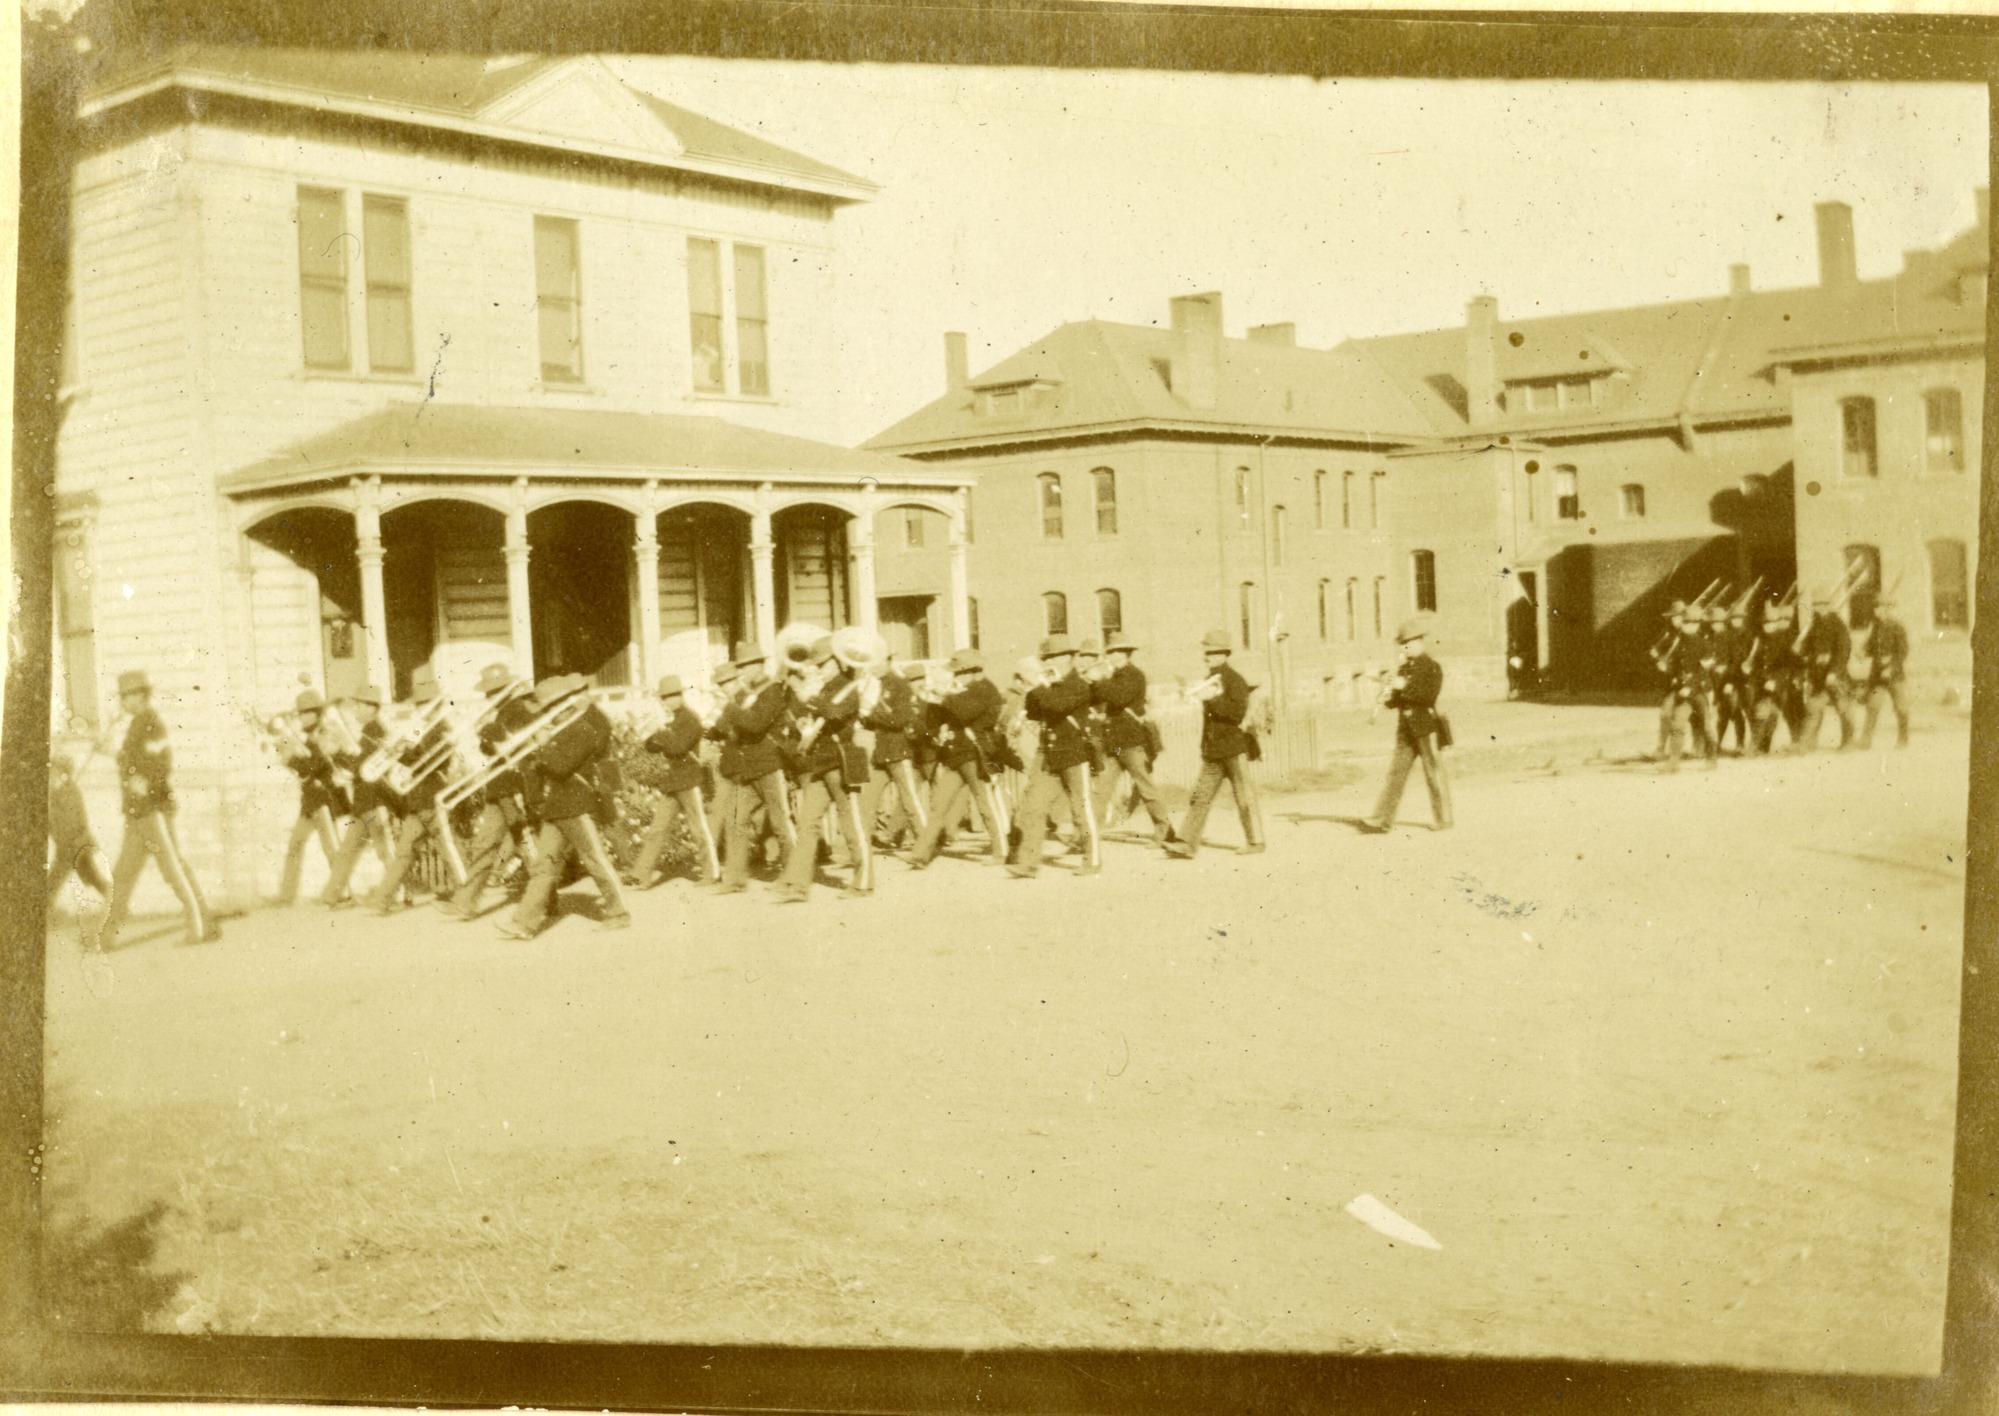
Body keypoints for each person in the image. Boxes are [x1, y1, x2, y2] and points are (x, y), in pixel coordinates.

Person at [94, 669, 219, 950]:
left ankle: (203, 927)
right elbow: (133, 759)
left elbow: (160, 764)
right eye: (122, 696)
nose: (124, 701)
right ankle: (103, 937)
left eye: (129, 695)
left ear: (142, 696)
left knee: (173, 869)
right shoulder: (136, 725)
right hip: (136, 813)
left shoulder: (151, 723)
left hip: (153, 811)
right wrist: (113, 753)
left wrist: (145, 781)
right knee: (123, 874)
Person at [499, 675, 630, 938]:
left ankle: (618, 912)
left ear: (565, 705)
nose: (546, 714)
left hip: (577, 806)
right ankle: (524, 923)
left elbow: (561, 767)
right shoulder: (559, 731)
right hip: (556, 809)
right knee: (543, 867)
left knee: (594, 859)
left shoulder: (582, 729)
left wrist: (543, 744)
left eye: (549, 709)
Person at [437, 663, 540, 921]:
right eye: (489, 693)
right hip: (499, 787)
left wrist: (492, 734)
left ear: (507, 690)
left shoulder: (519, 711)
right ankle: (465, 902)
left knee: (526, 844)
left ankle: (545, 900)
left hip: (514, 786)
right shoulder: (501, 713)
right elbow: (492, 750)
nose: (489, 698)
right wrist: (485, 738)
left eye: (494, 692)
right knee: (486, 843)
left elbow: (524, 747)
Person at [776, 639, 874, 902]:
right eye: (816, 665)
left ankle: (863, 881)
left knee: (851, 822)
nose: (818, 669)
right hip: (821, 763)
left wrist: (811, 698)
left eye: (823, 664)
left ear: (838, 662)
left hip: (843, 761)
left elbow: (834, 712)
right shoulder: (826, 689)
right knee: (807, 824)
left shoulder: (849, 689)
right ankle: (797, 885)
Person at [1008, 635, 1102, 878]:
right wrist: (1033, 686)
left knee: (1081, 809)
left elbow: (1056, 706)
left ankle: (1092, 860)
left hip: (1073, 752)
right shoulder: (1048, 684)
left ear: (1070, 658)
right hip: (1048, 753)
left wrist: (1038, 684)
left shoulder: (1078, 684)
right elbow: (1033, 712)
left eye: (1057, 657)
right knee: (1033, 807)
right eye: (1047, 658)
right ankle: (1028, 863)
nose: (1051, 662)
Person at [363, 666, 454, 915]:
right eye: (419, 704)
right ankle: (381, 901)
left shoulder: (441, 728)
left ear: (435, 704)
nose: (420, 708)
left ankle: (465, 895)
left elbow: (438, 761)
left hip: (433, 797)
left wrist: (407, 753)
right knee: (403, 853)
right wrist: (396, 751)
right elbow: (413, 758)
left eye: (425, 703)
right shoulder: (420, 727)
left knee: (449, 849)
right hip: (418, 800)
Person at [906, 648, 1009, 869]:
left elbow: (964, 712)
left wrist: (941, 694)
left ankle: (1002, 851)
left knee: (985, 804)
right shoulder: (964, 688)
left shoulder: (985, 689)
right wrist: (931, 700)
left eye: (958, 673)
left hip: (976, 754)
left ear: (972, 671)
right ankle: (921, 853)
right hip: (956, 755)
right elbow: (940, 716)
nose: (955, 677)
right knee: (938, 805)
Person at [1167, 630, 1267, 856]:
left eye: (1211, 653)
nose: (1206, 657)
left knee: (1244, 797)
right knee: (1200, 797)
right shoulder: (1210, 681)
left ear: (1224, 654)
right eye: (1206, 652)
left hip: (1233, 748)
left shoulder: (1235, 680)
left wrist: (1212, 698)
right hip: (1213, 750)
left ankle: (1256, 842)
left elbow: (1236, 714)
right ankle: (1186, 843)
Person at [714, 649, 797, 895]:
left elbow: (755, 723)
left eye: (746, 667)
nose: (741, 673)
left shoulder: (771, 691)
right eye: (739, 668)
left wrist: (730, 710)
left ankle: (793, 876)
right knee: (736, 821)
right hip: (750, 768)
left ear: (759, 665)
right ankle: (736, 879)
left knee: (781, 822)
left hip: (770, 765)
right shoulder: (747, 695)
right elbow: (723, 727)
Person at [1360, 620, 1453, 834]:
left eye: (1408, 643)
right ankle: (1383, 819)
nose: (1404, 648)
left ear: (1420, 641)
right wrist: (1387, 695)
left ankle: (1444, 818)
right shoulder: (1403, 668)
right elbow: (1397, 701)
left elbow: (1427, 697)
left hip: (1426, 727)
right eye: (1402, 644)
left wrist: (1404, 687)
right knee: (1396, 774)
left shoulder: (1432, 667)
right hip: (1406, 729)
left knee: (1433, 773)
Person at [630, 674, 721, 888]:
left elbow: (678, 747)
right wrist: (659, 734)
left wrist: (661, 734)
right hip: (672, 782)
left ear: (680, 696)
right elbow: (649, 746)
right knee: (657, 830)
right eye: (665, 697)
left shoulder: (690, 719)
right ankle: (641, 876)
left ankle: (711, 873)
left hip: (689, 780)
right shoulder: (670, 720)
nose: (668, 701)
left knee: (698, 829)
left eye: (672, 696)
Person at [1089, 635, 1178, 846]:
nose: (1108, 656)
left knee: (1146, 788)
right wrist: (1091, 683)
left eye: (1111, 652)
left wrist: (1098, 680)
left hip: (1131, 742)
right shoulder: (1112, 677)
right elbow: (1095, 700)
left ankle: (1164, 830)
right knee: (1100, 791)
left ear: (1123, 654)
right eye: (1108, 652)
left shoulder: (1135, 675)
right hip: (1114, 744)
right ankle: (1086, 837)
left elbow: (1119, 697)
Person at [319, 684, 395, 906]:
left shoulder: (375, 731)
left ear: (371, 708)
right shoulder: (368, 731)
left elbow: (360, 765)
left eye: (359, 706)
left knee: (385, 850)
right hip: (364, 801)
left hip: (376, 801)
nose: (354, 710)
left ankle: (398, 891)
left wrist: (341, 752)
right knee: (347, 850)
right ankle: (332, 895)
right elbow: (357, 763)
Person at [272, 690, 343, 906]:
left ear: (315, 714)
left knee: (331, 848)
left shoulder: (324, 733)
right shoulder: (305, 736)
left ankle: (343, 892)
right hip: (310, 800)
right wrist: (288, 751)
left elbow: (314, 765)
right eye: (301, 713)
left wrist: (292, 759)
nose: (302, 718)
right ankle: (286, 896)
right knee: (295, 845)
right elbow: (298, 764)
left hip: (323, 798)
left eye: (306, 713)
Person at [858, 651, 928, 851]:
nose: (873, 668)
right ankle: (856, 849)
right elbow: (875, 722)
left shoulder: (900, 685)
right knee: (867, 802)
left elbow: (900, 719)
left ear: (888, 661)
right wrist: (864, 716)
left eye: (877, 663)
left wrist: (871, 712)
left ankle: (925, 844)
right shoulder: (879, 685)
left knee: (910, 802)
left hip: (899, 752)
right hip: (882, 753)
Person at [48, 752, 109, 913]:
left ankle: (44, 911)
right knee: (93, 877)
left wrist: (67, 843)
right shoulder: (56, 794)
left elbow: (72, 822)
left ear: (63, 774)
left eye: (54, 772)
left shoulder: (69, 793)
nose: (50, 776)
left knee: (53, 881)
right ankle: (115, 901)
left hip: (75, 844)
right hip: (70, 846)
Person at [1796, 594, 1855, 752]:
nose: (1820, 607)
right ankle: (1807, 744)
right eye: (1816, 604)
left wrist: (1834, 672)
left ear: (1829, 605)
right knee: (1813, 710)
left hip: (1836, 676)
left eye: (1823, 604)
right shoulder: (1814, 625)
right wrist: (1800, 650)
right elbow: (1807, 648)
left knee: (1844, 709)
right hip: (1818, 676)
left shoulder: (1838, 625)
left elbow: (1843, 651)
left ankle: (1848, 742)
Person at [1858, 594, 1912, 749]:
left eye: (1880, 607)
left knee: (1901, 708)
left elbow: (1902, 652)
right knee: (1872, 707)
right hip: (1877, 676)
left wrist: (1891, 668)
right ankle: (1865, 740)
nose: (1877, 610)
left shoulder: (1897, 627)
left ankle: (1903, 738)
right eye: (1876, 607)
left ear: (1888, 609)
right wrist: (1863, 652)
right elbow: (1870, 648)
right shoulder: (1874, 627)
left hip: (1895, 676)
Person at [1748, 601, 1802, 756]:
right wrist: (1763, 679)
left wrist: (1777, 681)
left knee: (1776, 715)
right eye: (1765, 623)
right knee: (1762, 714)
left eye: (1772, 623)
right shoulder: (1759, 640)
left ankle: (1795, 743)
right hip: (1763, 685)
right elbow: (1756, 665)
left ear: (1777, 623)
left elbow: (1794, 664)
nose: (1768, 626)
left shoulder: (1785, 640)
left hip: (1782, 685)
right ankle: (1758, 747)